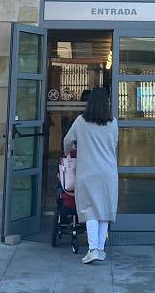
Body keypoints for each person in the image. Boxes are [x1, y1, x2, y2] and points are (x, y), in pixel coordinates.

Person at [63, 86, 117, 264]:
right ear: (106, 103)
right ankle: (100, 249)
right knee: (104, 210)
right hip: (108, 172)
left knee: (89, 209)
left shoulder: (80, 121)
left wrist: (69, 151)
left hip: (88, 172)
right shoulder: (113, 123)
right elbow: (114, 144)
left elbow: (67, 141)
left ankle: (93, 248)